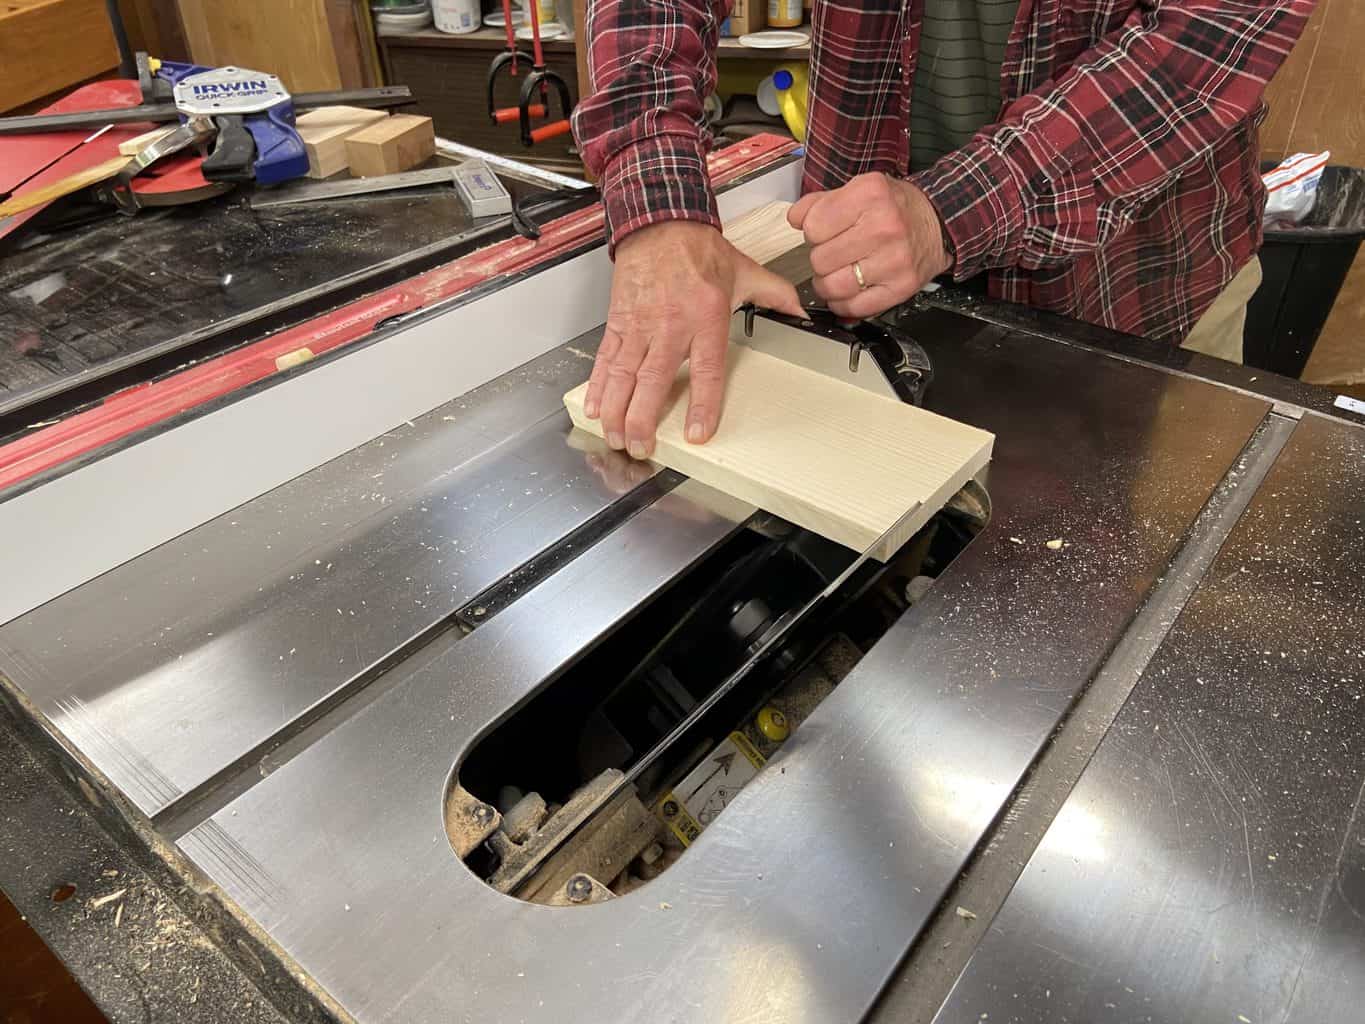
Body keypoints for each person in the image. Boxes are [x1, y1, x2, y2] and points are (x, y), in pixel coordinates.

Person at [569, 0, 1314, 461]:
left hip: (1139, 282)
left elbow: (1195, 43)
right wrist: (656, 192)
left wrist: (944, 211)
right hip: (864, 267)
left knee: (1129, 602)